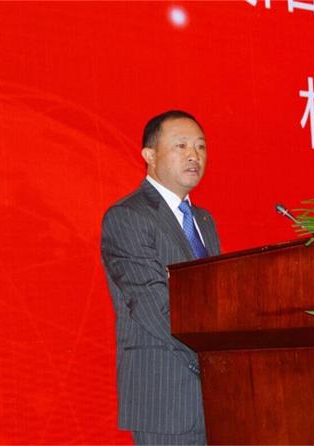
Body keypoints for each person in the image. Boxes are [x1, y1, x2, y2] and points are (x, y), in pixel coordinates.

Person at [101, 110, 220, 445]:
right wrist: (214, 358)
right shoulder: (128, 216)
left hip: (217, 398)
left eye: (200, 146)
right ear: (150, 156)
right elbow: (153, 308)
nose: (194, 155)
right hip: (166, 397)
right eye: (181, 146)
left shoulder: (204, 220)